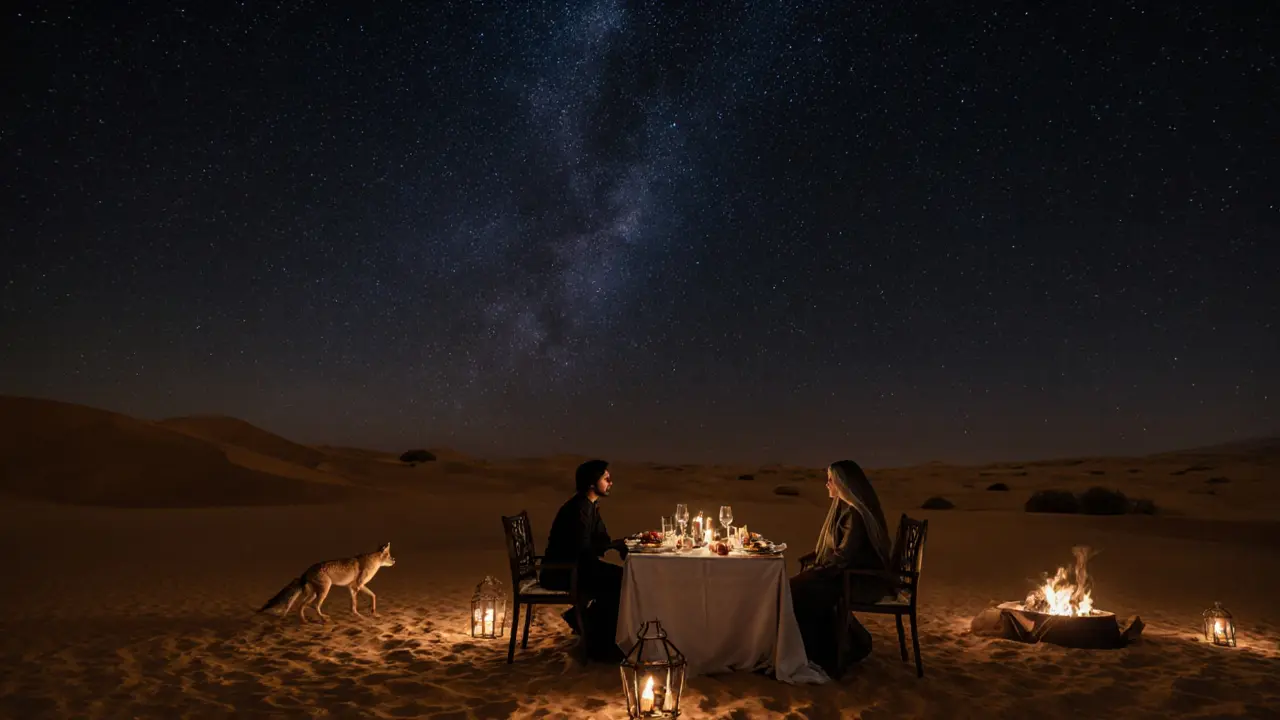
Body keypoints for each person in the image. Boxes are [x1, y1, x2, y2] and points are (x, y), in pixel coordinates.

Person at [790, 459, 893, 678]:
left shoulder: (854, 514)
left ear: (843, 484)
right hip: (845, 573)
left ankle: (822, 654)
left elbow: (844, 556)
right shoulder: (844, 509)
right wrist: (818, 562)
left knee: (798, 591)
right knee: (799, 587)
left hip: (857, 579)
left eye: (831, 480)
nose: (827, 484)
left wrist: (818, 570)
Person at [541, 459, 629, 661]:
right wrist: (613, 546)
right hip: (563, 572)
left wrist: (616, 544)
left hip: (580, 567)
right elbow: (583, 549)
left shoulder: (590, 506)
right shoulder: (578, 509)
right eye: (606, 479)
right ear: (592, 483)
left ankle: (588, 623)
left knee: (622, 578)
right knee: (620, 582)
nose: (610, 483)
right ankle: (598, 642)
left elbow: (600, 540)